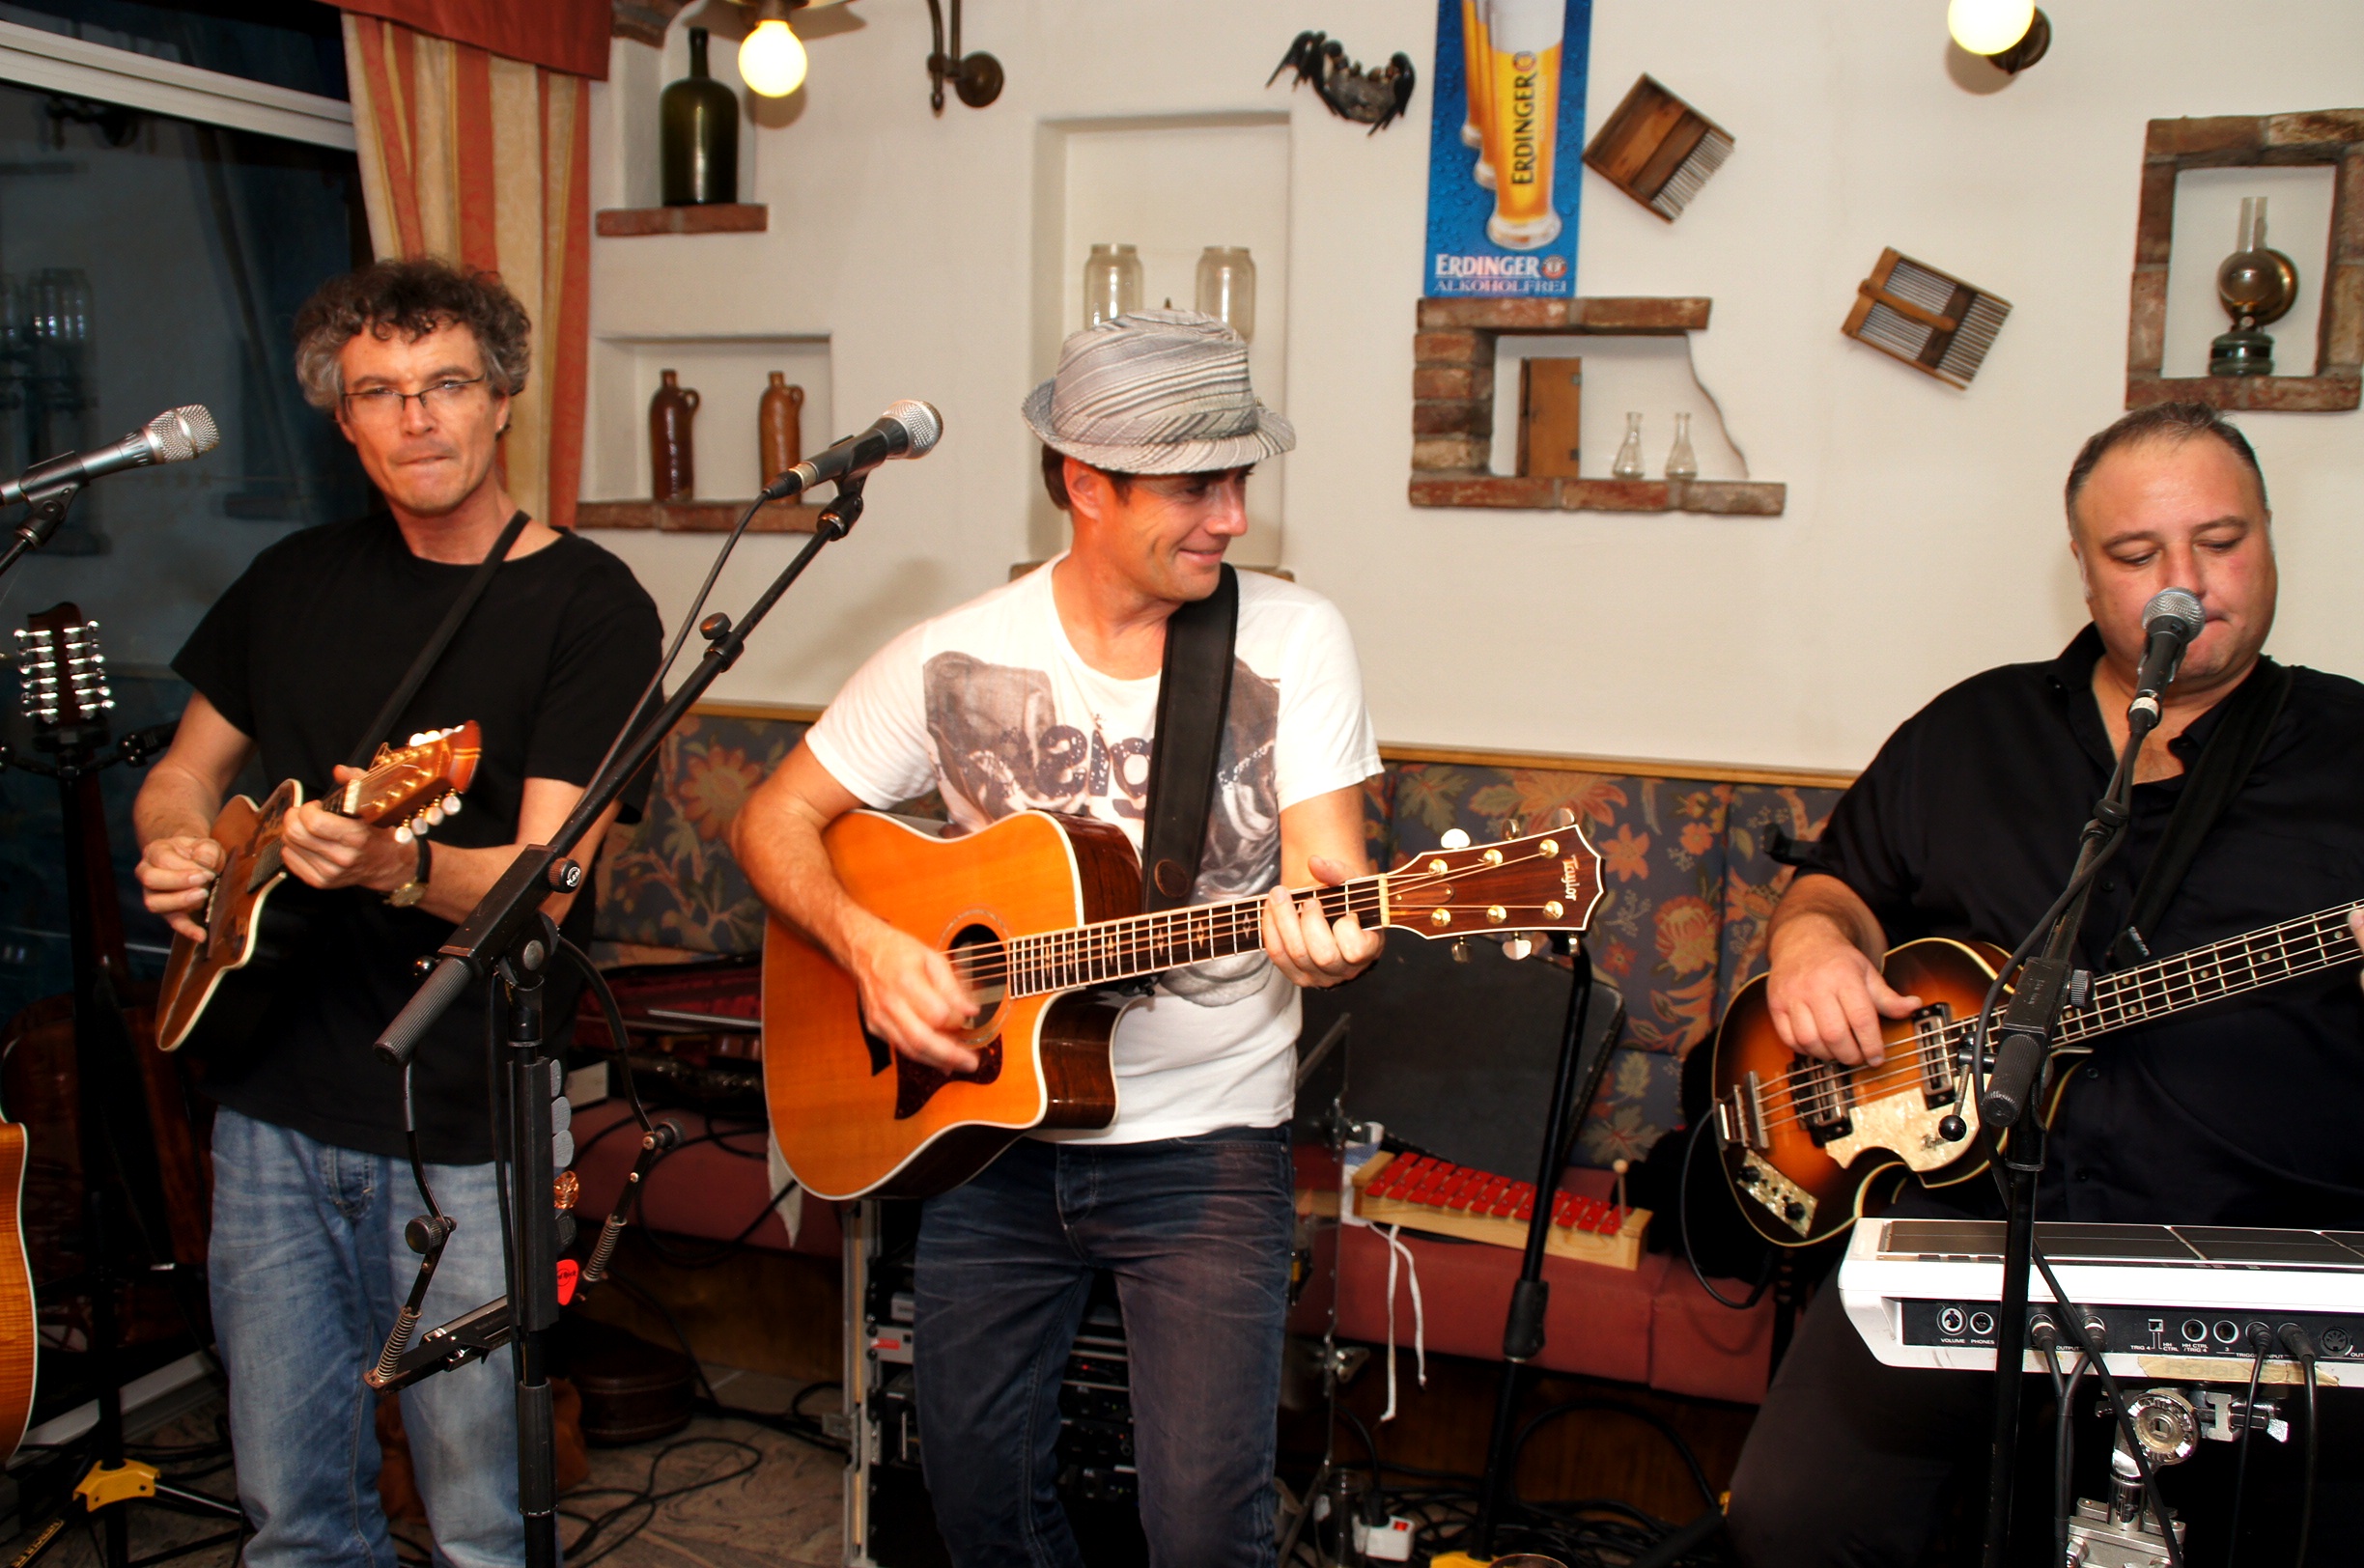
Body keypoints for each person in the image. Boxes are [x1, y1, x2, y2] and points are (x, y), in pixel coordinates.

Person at [732, 310, 1383, 1567]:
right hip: (987, 1138)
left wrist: (1335, 928)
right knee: (973, 1505)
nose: (1234, 516)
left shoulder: (1293, 640)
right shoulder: (951, 653)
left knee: (1202, 1533)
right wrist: (870, 947)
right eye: (1195, 486)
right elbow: (773, 821)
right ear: (1086, 484)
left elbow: (1330, 867)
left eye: (1239, 479)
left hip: (1205, 1144)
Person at [1724, 401, 2364, 1565]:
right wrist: (1811, 944)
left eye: (2220, 541)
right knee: (1795, 1518)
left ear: (2269, 535)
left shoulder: (2352, 748)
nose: (2185, 584)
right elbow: (1837, 884)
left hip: (2267, 1259)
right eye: (2138, 554)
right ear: (2082, 566)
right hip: (1968, 1229)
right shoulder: (1976, 728)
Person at [133, 260, 661, 1568]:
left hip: (466, 1119)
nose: (417, 418)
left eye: (446, 385)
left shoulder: (592, 607)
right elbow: (184, 775)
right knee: (294, 1517)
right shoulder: (290, 578)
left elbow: (550, 881)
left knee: (483, 1525)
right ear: (344, 420)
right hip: (268, 1101)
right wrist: (176, 848)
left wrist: (399, 869)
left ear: (502, 401)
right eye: (380, 392)